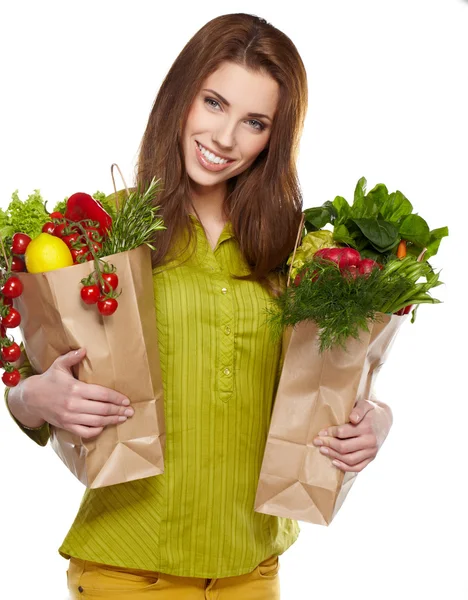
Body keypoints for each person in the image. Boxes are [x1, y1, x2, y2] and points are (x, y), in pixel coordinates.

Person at [4, 13, 393, 599]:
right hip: (128, 568)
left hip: (252, 570)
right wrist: (32, 397)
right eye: (214, 103)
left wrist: (375, 421)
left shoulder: (298, 250)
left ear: (274, 137)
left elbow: (327, 385)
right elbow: (33, 383)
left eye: (254, 122)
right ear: (181, 98)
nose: (224, 138)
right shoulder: (105, 230)